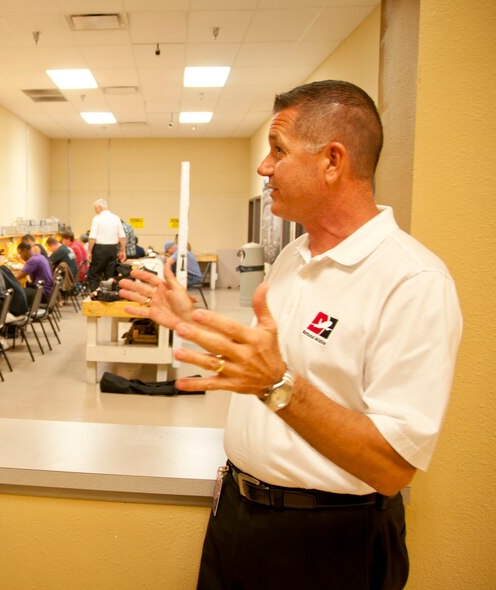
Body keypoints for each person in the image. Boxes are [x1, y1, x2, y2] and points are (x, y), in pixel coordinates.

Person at [119, 80, 461, 589]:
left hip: (328, 543)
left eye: (278, 150)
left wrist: (277, 386)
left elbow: (392, 467)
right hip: (239, 514)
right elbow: (264, 365)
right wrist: (191, 322)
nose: (264, 167)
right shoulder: (292, 259)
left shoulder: (412, 281)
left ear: (332, 161)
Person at [86, 198, 126, 291]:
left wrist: (89, 252)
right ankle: (109, 295)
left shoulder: (97, 218)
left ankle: (95, 296)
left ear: (100, 207)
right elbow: (122, 237)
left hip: (100, 249)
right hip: (112, 249)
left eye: (95, 208)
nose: (95, 211)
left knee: (94, 274)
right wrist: (123, 251)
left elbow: (92, 237)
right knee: (110, 275)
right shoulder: (116, 218)